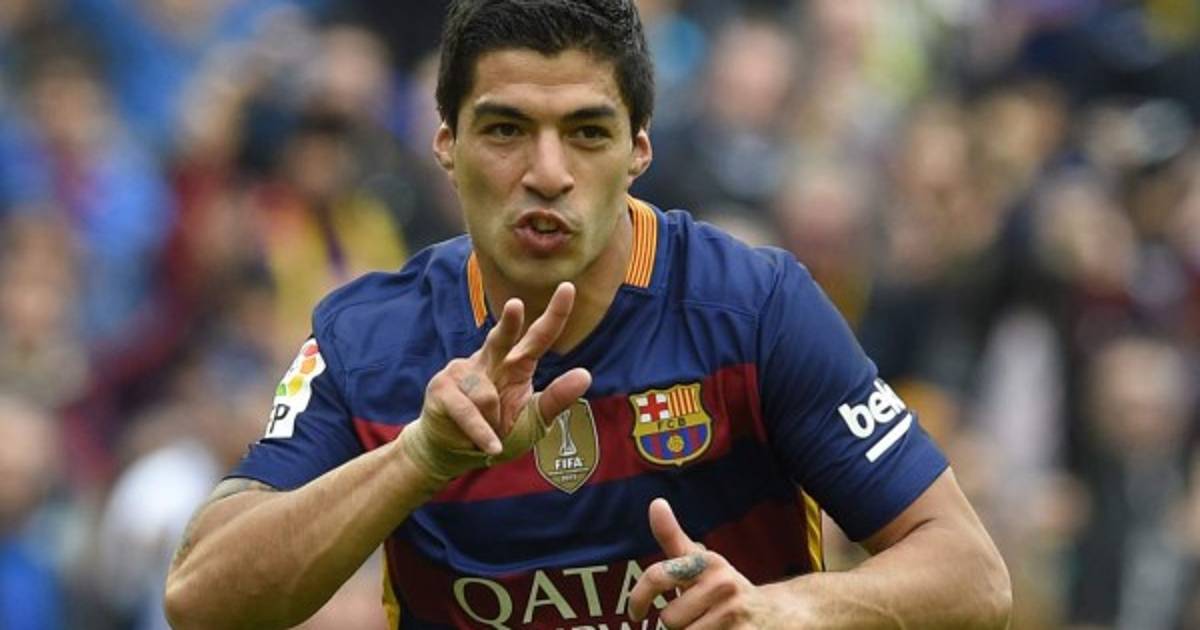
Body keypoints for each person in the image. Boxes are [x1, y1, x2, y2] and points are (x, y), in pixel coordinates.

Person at [164, 1, 1012, 628]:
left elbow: (972, 573)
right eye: (505, 129)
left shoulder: (754, 310)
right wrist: (418, 458)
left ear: (639, 149)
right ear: (446, 144)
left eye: (586, 132)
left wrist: (784, 611)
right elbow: (200, 599)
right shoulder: (368, 342)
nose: (546, 172)